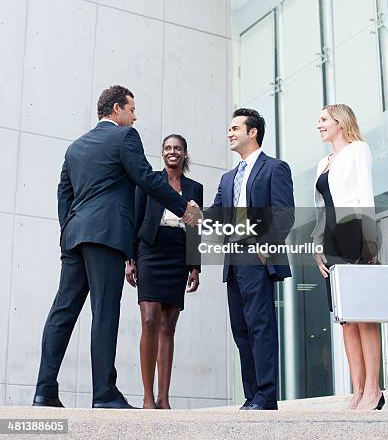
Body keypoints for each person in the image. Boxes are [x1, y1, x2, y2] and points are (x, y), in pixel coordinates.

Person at [32, 86, 201, 409]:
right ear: (116, 109)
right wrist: (184, 209)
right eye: (131, 109)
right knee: (105, 312)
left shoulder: (75, 147)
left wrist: (69, 229)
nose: (135, 116)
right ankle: (104, 393)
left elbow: (63, 194)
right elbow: (147, 180)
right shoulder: (125, 137)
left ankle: (44, 391)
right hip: (106, 235)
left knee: (63, 311)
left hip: (74, 236)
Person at [210, 108, 294, 411]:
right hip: (233, 256)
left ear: (252, 132)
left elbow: (284, 213)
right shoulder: (228, 177)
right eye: (229, 129)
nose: (230, 133)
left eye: (235, 128)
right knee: (240, 328)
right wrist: (189, 213)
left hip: (256, 254)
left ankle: (266, 396)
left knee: (260, 326)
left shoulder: (275, 168)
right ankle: (252, 396)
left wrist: (266, 246)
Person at [312, 103, 384, 411]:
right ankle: (357, 390)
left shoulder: (358, 150)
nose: (320, 125)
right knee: (345, 319)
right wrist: (316, 245)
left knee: (364, 314)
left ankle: (373, 389)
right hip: (329, 241)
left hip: (354, 234)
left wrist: (369, 243)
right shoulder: (322, 163)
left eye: (324, 119)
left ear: (341, 122)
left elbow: (365, 197)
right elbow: (320, 209)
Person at [125, 134, 203, 409]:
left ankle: (164, 398)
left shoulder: (194, 187)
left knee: (168, 326)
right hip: (150, 248)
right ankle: (147, 397)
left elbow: (195, 228)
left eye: (178, 148)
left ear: (184, 153)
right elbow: (134, 218)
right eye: (168, 148)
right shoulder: (150, 182)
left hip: (178, 252)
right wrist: (129, 258)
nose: (173, 152)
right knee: (149, 320)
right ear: (162, 153)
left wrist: (195, 266)